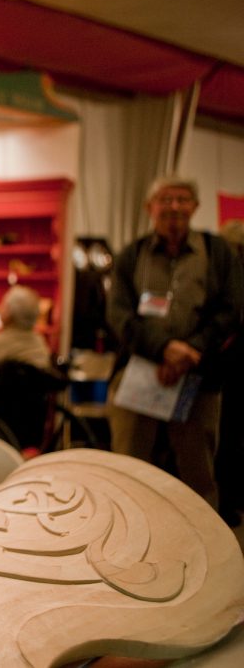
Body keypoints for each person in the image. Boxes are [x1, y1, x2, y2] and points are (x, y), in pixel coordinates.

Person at [106, 175, 244, 509]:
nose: (174, 207)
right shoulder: (131, 255)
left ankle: (207, 550)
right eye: (165, 200)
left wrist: (190, 350)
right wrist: (163, 349)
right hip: (139, 374)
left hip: (198, 376)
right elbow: (119, 314)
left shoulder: (218, 252)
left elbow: (231, 310)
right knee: (127, 470)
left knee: (198, 473)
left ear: (195, 207)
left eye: (182, 199)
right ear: (149, 208)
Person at [216, 219, 244, 525]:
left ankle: (228, 501)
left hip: (229, 369)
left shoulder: (229, 277)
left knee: (228, 436)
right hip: (227, 369)